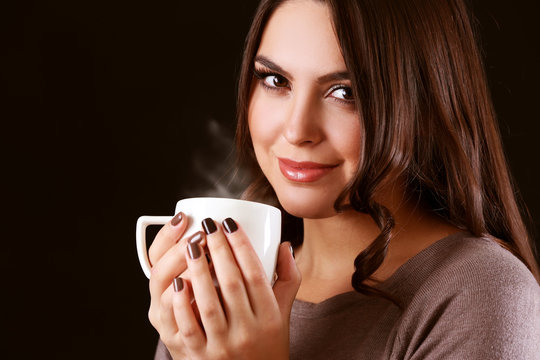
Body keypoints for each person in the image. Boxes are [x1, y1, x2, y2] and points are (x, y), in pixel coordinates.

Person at [148, 0, 540, 359]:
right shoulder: (222, 288)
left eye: (344, 92)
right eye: (275, 81)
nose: (298, 130)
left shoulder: (482, 294)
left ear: (424, 103)